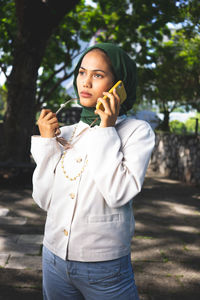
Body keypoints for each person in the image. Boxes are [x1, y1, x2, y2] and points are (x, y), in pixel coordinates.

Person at [31, 43, 155, 300]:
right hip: (53, 258)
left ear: (119, 85)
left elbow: (118, 194)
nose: (85, 82)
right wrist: (46, 143)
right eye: (81, 72)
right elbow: (43, 200)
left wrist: (106, 129)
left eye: (97, 75)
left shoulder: (137, 131)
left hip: (105, 267)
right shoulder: (64, 133)